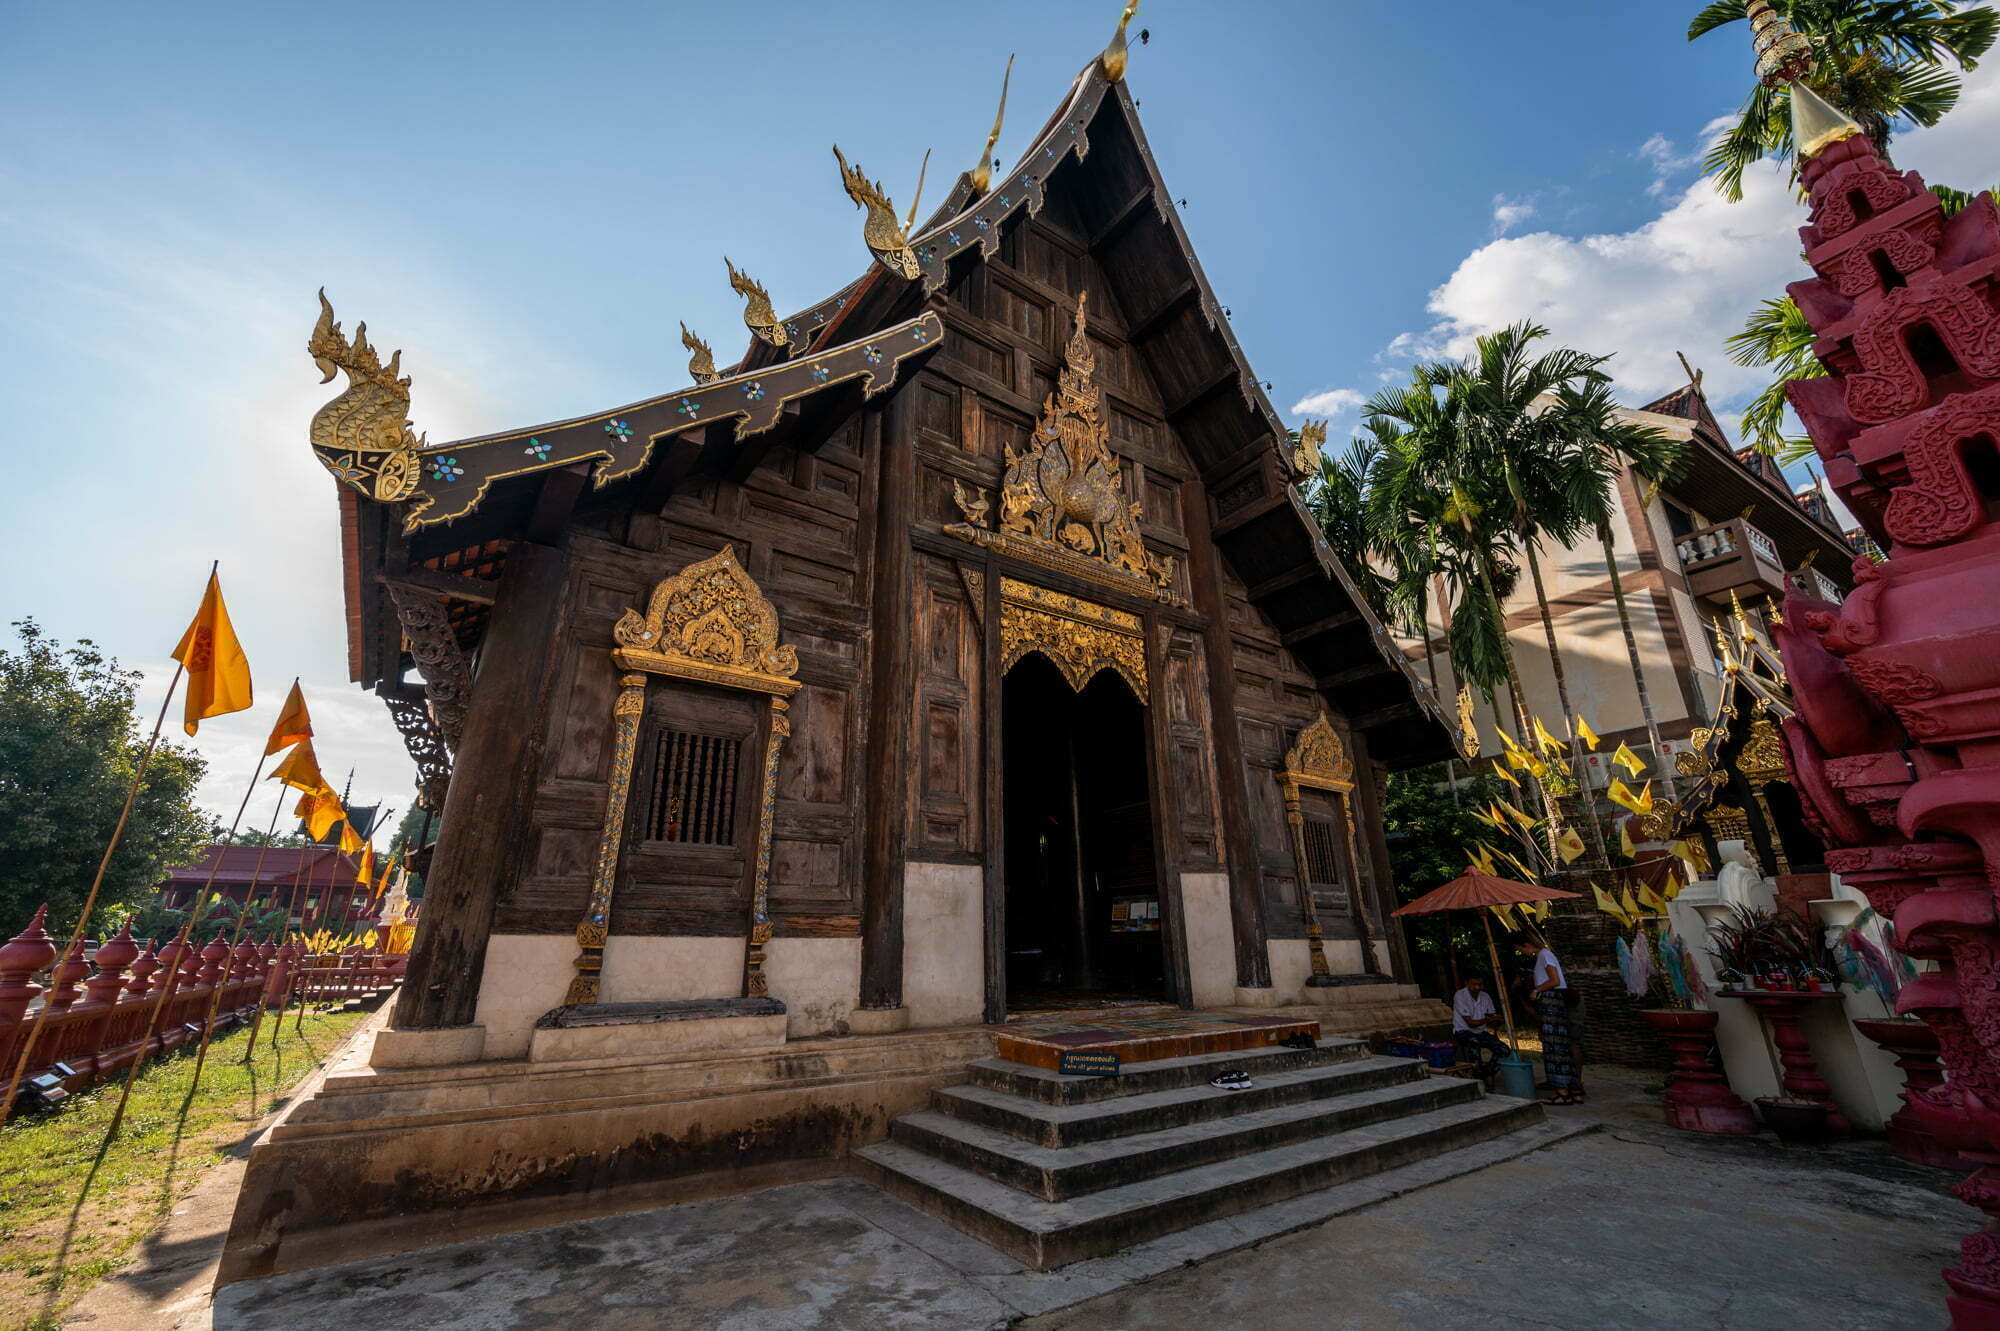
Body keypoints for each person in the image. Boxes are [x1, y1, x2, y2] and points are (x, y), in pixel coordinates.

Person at [1517, 933, 1583, 1105]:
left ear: (1526, 945)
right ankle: (1574, 1090)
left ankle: (1562, 1091)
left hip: (1551, 1002)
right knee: (1563, 1046)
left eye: (1520, 949)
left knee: (1555, 1047)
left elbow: (1554, 980)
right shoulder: (1545, 955)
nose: (1522, 953)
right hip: (1555, 1002)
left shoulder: (1544, 955)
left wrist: (1537, 989)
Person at [1450, 975, 1510, 1083]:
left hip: (1481, 1032)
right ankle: (1478, 1076)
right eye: (1474, 984)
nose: (1477, 987)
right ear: (1467, 983)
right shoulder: (1460, 995)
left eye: (1480, 984)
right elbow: (1471, 1023)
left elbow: (1492, 1019)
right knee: (1474, 1042)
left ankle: (1486, 1072)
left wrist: (1497, 1020)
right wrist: (1488, 1019)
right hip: (1462, 1031)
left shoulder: (1485, 996)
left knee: (1504, 1050)